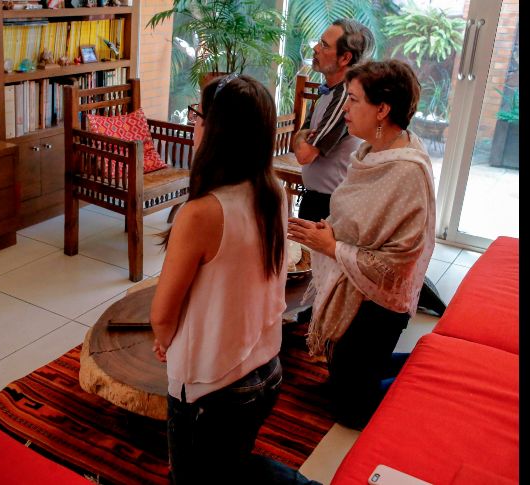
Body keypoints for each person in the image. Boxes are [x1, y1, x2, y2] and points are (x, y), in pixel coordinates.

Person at [150, 74, 317, 485]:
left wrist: (165, 339)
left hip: (213, 385)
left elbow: (162, 314)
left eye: (198, 116)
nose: (193, 124)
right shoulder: (273, 190)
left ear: (217, 131)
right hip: (266, 369)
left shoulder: (202, 213)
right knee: (232, 465)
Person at [287, 60, 436, 430]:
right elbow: (360, 219)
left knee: (352, 412)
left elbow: (399, 262)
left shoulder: (406, 171)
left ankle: (427, 376)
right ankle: (379, 371)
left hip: (379, 301)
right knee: (345, 377)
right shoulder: (372, 151)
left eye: (353, 100)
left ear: (382, 109)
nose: (345, 109)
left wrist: (333, 247)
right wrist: (331, 232)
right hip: (354, 283)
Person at [293, 19, 375, 223]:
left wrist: (299, 138)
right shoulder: (328, 92)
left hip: (329, 206)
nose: (316, 49)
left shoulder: (344, 97)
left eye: (324, 45)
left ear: (345, 57)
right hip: (316, 199)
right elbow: (300, 138)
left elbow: (304, 154)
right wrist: (299, 137)